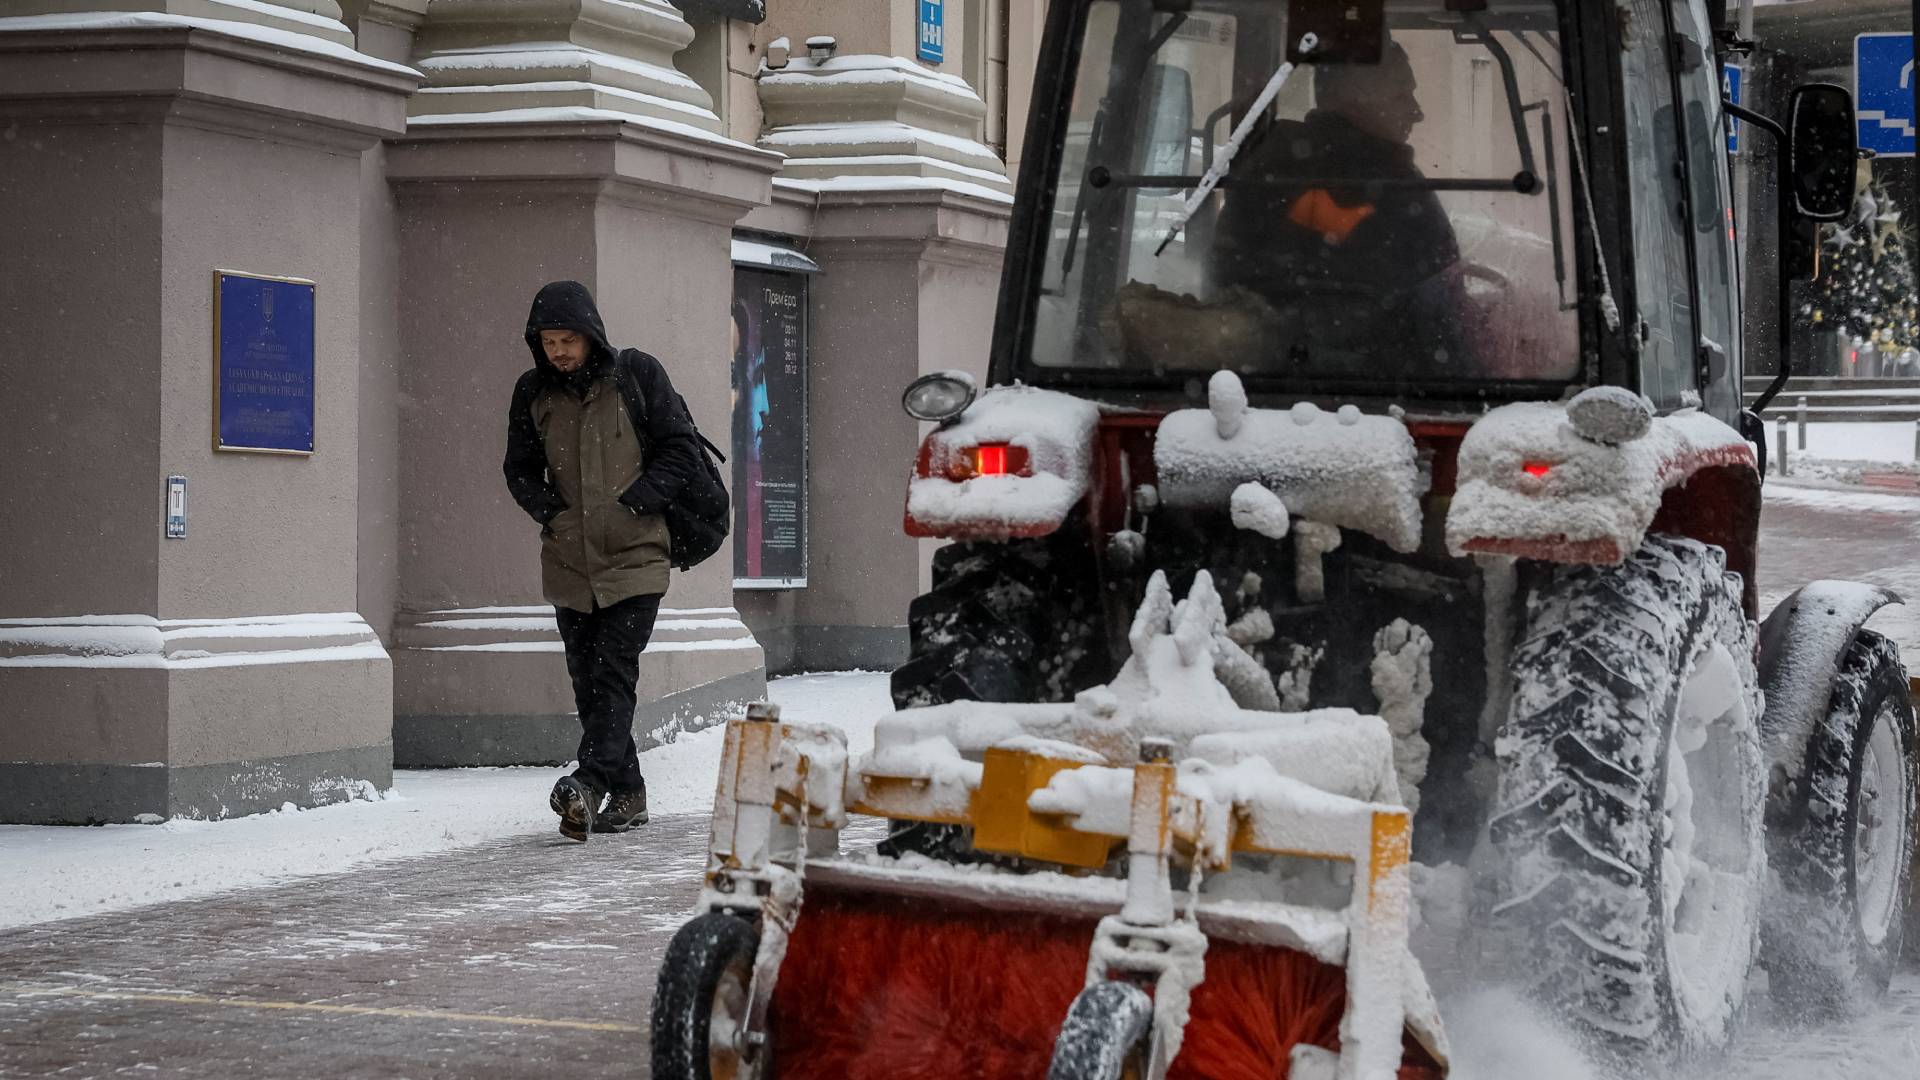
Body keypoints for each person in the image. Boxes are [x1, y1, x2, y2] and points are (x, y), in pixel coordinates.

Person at [502, 280, 702, 843]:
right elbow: (518, 469)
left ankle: (587, 785)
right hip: (569, 561)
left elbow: (681, 450)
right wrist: (553, 513)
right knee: (589, 683)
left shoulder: (636, 377)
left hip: (636, 556)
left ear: (592, 336)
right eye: (549, 341)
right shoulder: (532, 393)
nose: (560, 351)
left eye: (569, 339)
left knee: (614, 673)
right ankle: (630, 792)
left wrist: (636, 504)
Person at [1212, 41, 1465, 372]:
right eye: (1401, 94)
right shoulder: (1383, 186)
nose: (1416, 111)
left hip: (1268, 373)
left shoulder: (1271, 163)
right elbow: (1429, 303)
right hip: (1385, 384)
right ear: (1353, 97)